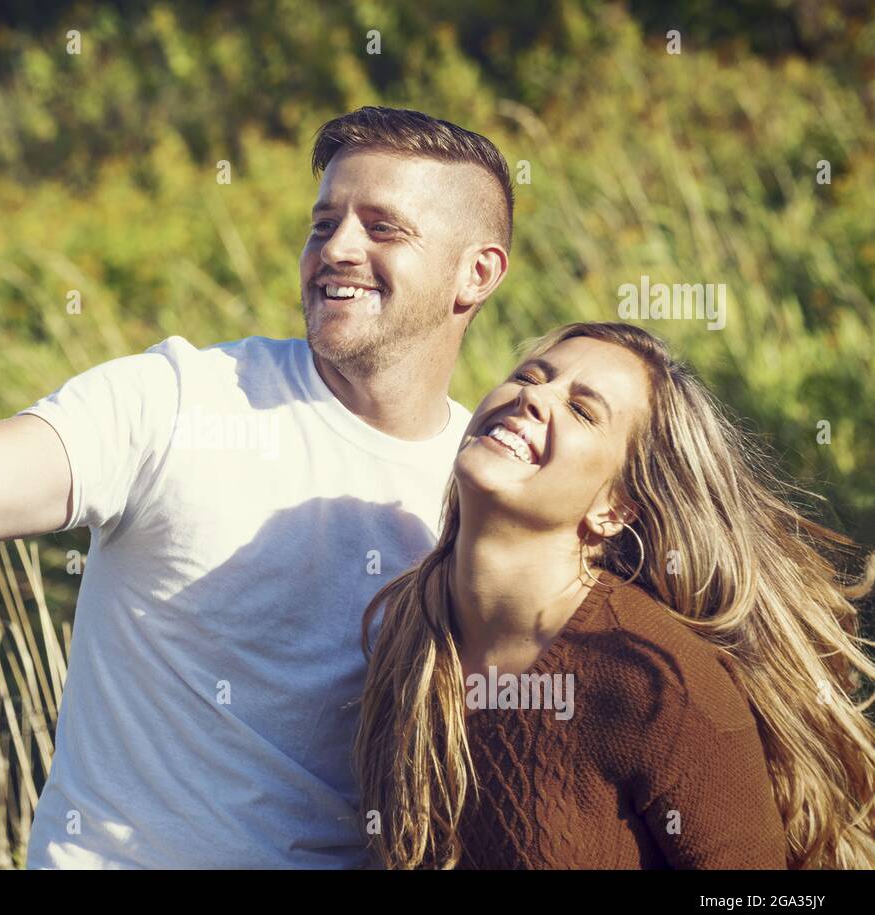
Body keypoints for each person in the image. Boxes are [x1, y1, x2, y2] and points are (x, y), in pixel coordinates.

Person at [0, 106, 513, 867]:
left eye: (382, 227)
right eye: (323, 222)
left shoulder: (488, 488)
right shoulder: (178, 399)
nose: (336, 248)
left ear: (475, 273)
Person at [355, 321, 875, 869]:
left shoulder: (653, 682)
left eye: (582, 411)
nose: (533, 397)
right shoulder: (411, 624)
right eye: (530, 376)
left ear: (614, 509)